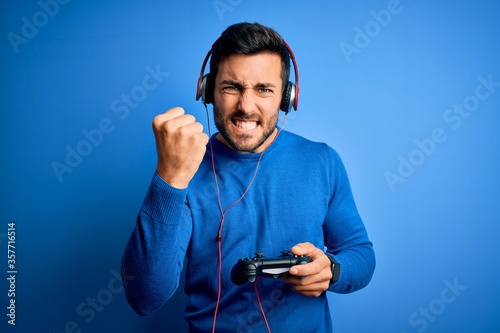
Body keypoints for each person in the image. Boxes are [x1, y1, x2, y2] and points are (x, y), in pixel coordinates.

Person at [121, 22, 375, 332]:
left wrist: (333, 270)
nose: (246, 107)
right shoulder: (183, 170)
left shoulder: (322, 161)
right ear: (208, 90)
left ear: (286, 97)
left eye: (264, 89)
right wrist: (169, 178)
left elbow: (360, 254)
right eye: (232, 87)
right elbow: (145, 297)